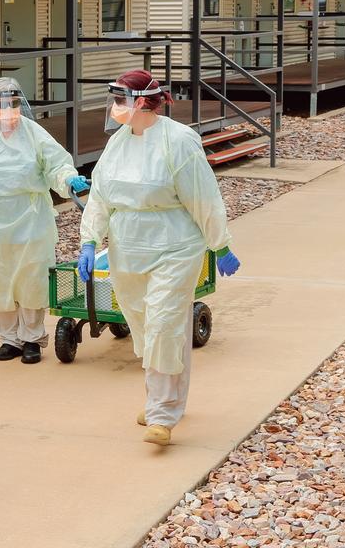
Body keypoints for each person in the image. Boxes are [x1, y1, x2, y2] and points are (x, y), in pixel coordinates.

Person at [77, 69, 240, 446]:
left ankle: (164, 415)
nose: (115, 108)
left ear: (142, 102)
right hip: (128, 247)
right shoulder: (118, 142)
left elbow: (203, 197)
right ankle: (158, 399)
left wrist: (220, 244)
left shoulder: (178, 141)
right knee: (144, 323)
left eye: (120, 100)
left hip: (174, 244)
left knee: (166, 322)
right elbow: (101, 195)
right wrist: (89, 241)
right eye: (113, 100)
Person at [0, 77, 89, 364]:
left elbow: (56, 165)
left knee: (31, 278)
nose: (7, 110)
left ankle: (32, 340)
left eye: (13, 104)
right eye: (1, 104)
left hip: (31, 216)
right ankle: (9, 339)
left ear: (19, 104)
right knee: (2, 279)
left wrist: (68, 179)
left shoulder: (35, 135)